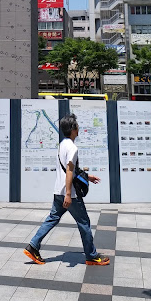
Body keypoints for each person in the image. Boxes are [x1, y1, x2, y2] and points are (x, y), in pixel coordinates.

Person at [24, 113, 110, 266]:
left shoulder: (62, 145)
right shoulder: (72, 148)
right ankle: (91, 256)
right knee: (84, 223)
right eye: (77, 125)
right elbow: (69, 171)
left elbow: (69, 168)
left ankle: (33, 246)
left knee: (52, 218)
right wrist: (69, 194)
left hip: (58, 191)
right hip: (70, 194)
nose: (78, 127)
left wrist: (87, 176)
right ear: (73, 128)